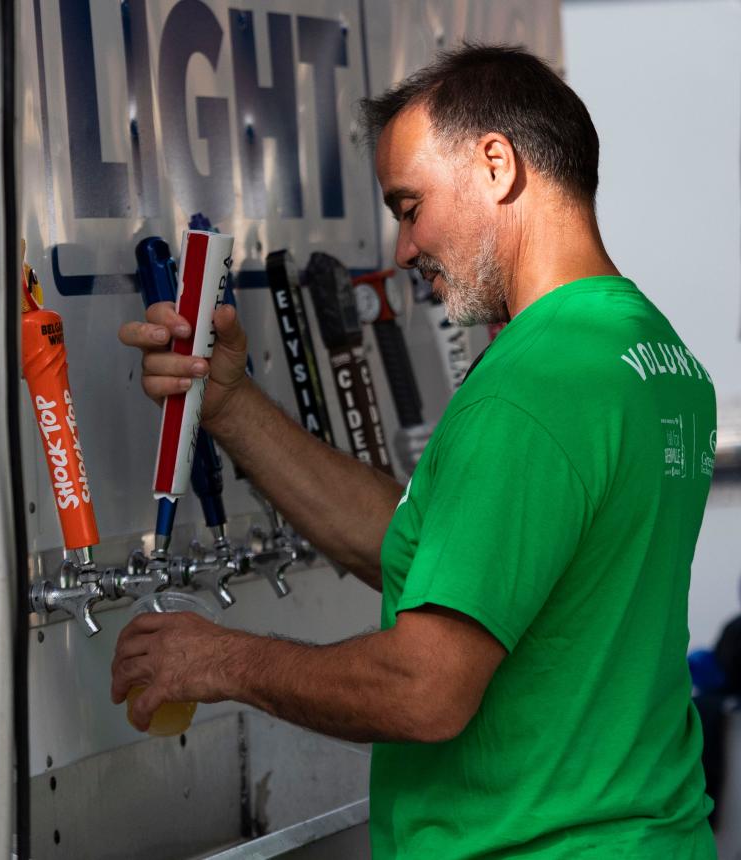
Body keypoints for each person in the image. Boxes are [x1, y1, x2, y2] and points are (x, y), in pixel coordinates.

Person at [113, 44, 718, 858]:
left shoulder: (531, 384)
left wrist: (218, 660)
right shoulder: (650, 352)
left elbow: (425, 689)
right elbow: (424, 548)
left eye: (409, 206)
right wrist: (229, 404)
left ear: (496, 164)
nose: (403, 250)